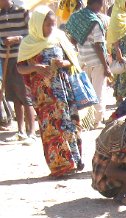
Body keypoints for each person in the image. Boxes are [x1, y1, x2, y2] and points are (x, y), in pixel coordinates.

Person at [16, 6, 84, 178]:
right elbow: (20, 68)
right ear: (38, 24)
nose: (51, 29)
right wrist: (35, 68)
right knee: (52, 130)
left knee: (69, 125)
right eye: (47, 25)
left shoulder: (59, 38)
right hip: (44, 96)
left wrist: (63, 64)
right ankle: (59, 167)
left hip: (63, 91)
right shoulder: (28, 43)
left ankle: (76, 161)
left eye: (53, 25)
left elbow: (74, 61)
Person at [64, 0, 111, 129]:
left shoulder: (76, 17)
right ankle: (96, 121)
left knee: (85, 92)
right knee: (98, 91)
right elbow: (98, 45)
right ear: (96, 4)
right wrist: (106, 66)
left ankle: (85, 120)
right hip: (97, 62)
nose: (102, 8)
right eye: (101, 5)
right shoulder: (95, 21)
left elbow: (71, 39)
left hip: (82, 60)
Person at [0, 0, 37, 143]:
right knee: (15, 96)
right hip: (6, 59)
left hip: (22, 58)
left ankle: (31, 132)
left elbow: (33, 32)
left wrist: (18, 38)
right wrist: (4, 42)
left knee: (25, 95)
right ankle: (20, 131)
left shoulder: (23, 12)